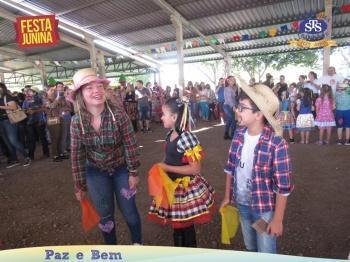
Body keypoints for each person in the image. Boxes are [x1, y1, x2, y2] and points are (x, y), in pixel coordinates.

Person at [70, 68, 142, 245]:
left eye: (99, 86)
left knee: (129, 211)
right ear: (80, 94)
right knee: (105, 214)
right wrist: (79, 185)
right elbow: (77, 155)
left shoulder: (118, 115)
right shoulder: (76, 122)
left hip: (121, 169)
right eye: (89, 88)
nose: (96, 90)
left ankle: (138, 246)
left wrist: (133, 172)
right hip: (95, 172)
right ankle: (112, 251)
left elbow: (130, 144)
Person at [220, 81, 293, 254]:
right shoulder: (238, 135)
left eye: (242, 108)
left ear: (258, 114)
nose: (236, 110)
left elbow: (283, 187)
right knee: (251, 246)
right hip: (242, 204)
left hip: (263, 210)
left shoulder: (276, 144)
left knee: (265, 250)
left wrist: (277, 220)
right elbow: (231, 168)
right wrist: (227, 196)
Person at [148, 97, 215, 247]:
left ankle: (188, 253)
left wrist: (166, 168)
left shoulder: (186, 137)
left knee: (184, 226)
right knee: (178, 226)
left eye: (164, 114)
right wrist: (162, 167)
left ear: (174, 117)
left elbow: (195, 169)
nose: (161, 117)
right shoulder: (170, 134)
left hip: (184, 188)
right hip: (172, 186)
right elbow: (170, 157)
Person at [0, 83, 31, 167]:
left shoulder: (7, 96)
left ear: (2, 88)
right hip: (1, 122)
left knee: (13, 140)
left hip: (9, 121)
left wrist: (1, 107)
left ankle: (26, 156)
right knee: (7, 142)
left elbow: (14, 107)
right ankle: (15, 159)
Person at [22, 86, 50, 159]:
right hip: (29, 122)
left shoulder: (40, 98)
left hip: (39, 120)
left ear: (35, 92)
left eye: (30, 91)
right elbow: (23, 110)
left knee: (42, 137)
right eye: (26, 92)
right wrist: (26, 111)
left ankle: (46, 152)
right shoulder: (26, 101)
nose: (27, 93)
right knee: (30, 139)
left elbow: (46, 107)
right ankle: (31, 155)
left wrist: (35, 111)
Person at [334, 79, 350, 145]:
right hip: (343, 111)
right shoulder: (338, 92)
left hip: (343, 111)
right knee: (344, 126)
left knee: (344, 126)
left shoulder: (337, 92)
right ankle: (343, 140)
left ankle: (343, 140)